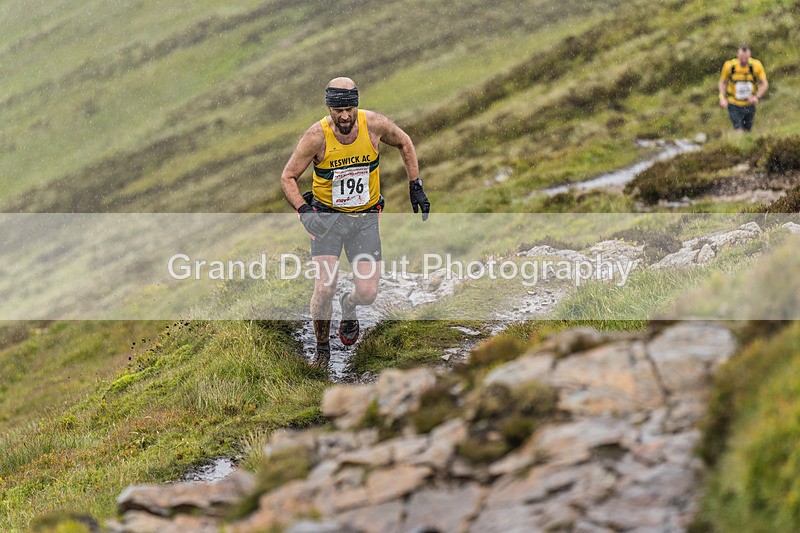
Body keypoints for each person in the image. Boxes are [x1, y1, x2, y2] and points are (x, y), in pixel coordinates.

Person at [280, 77, 430, 368]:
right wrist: (304, 211)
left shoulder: (374, 124)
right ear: (329, 108)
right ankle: (322, 351)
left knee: (368, 293)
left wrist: (416, 186)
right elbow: (287, 177)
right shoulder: (316, 136)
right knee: (325, 287)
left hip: (365, 219)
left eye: (350, 109)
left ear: (356, 106)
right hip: (328, 221)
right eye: (339, 111)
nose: (345, 116)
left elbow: (404, 141)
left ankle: (348, 307)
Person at [718, 45, 768, 132]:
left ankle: (745, 144)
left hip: (749, 103)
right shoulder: (729, 66)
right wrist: (722, 98)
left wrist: (757, 97)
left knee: (747, 130)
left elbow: (764, 83)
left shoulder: (756, 65)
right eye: (741, 56)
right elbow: (722, 82)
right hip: (733, 103)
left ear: (750, 55)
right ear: (737, 55)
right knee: (738, 129)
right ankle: (737, 143)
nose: (744, 59)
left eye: (746, 57)